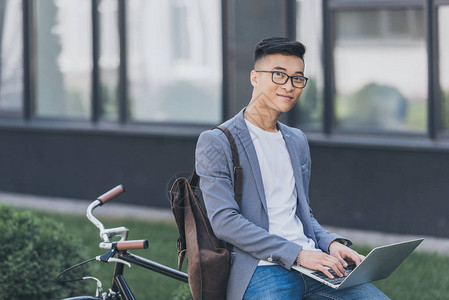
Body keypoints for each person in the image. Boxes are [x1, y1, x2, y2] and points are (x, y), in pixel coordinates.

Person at [195, 37, 389, 300]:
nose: (289, 86)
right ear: (255, 78)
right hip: (261, 268)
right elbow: (224, 222)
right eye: (279, 75)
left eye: (297, 78)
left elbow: (301, 212)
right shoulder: (217, 141)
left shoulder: (296, 139)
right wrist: (298, 254)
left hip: (315, 264)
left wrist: (330, 243)